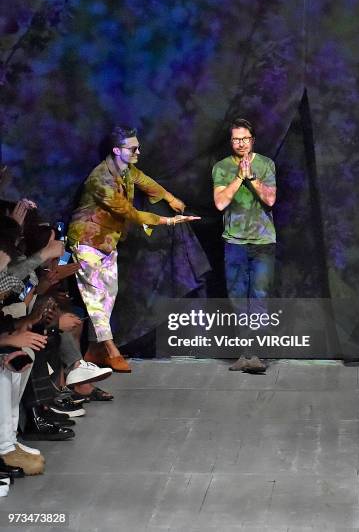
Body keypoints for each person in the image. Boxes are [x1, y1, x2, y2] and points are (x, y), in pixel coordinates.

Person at [67, 125, 199, 372]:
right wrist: (167, 221)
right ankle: (110, 349)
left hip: (108, 241)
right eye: (133, 148)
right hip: (87, 240)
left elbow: (143, 180)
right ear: (117, 150)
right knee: (95, 298)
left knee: (108, 296)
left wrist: (169, 198)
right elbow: (129, 212)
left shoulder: (125, 169)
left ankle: (95, 350)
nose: (139, 151)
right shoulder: (101, 178)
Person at [212, 118, 277, 372]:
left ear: (252, 140)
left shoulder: (266, 164)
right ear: (231, 141)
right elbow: (220, 203)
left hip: (263, 243)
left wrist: (252, 177)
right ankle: (244, 354)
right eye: (236, 139)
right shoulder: (221, 167)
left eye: (245, 139)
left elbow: (270, 200)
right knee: (238, 300)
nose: (241, 143)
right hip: (234, 243)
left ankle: (257, 355)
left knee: (259, 298)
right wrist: (240, 177)